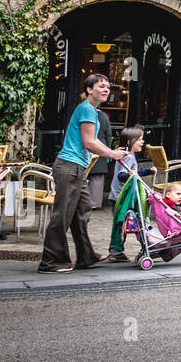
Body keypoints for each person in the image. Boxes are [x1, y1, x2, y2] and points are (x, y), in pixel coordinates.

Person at [38, 74, 128, 273]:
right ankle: (51, 262)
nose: (106, 89)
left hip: (76, 168)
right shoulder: (87, 109)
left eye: (107, 87)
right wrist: (112, 154)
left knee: (82, 210)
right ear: (89, 90)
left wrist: (112, 152)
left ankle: (86, 256)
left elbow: (90, 143)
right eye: (101, 86)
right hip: (70, 167)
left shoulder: (91, 111)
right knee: (62, 215)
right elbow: (89, 142)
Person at [107, 127, 148, 263]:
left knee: (122, 223)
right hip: (121, 197)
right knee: (120, 223)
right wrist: (142, 172)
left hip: (122, 196)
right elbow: (122, 175)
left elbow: (132, 173)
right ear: (130, 141)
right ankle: (116, 251)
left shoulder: (128, 155)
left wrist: (147, 171)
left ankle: (117, 250)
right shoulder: (128, 156)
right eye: (140, 139)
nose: (143, 142)